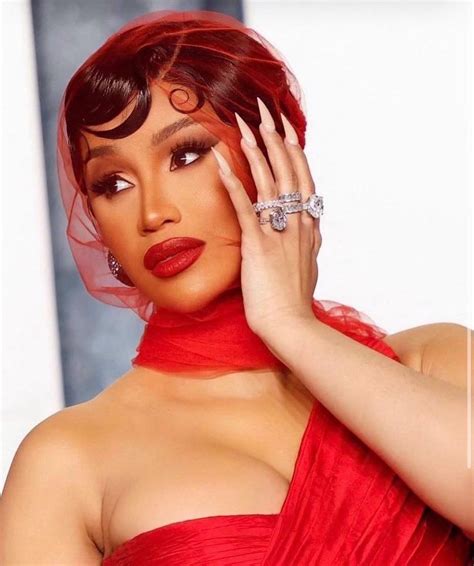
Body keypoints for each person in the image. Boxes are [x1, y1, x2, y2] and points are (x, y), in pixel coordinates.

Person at [1, 9, 472, 565]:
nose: (152, 212)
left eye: (185, 154)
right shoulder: (66, 461)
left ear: (276, 156)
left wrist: (291, 328)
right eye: (114, 183)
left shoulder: (435, 362)